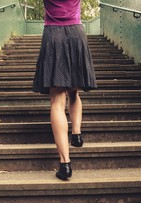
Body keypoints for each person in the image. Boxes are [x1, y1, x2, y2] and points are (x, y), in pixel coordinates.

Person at [33, 0, 97, 180]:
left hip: (53, 35)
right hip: (77, 33)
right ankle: (76, 133)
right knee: (73, 91)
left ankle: (65, 163)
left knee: (57, 100)